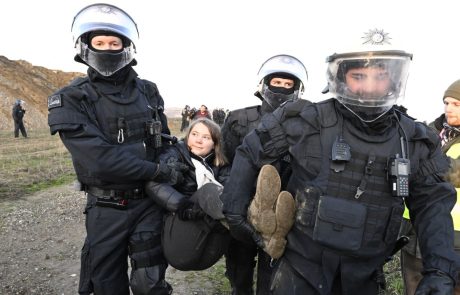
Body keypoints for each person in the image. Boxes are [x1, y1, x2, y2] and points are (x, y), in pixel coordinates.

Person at [221, 28, 459, 294]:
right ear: (341, 77)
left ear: (394, 79)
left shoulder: (415, 140)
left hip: (364, 276)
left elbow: (433, 207)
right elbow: (250, 151)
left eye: (380, 76)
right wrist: (235, 210)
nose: (370, 86)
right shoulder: (304, 120)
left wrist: (440, 270)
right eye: (359, 76)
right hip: (300, 270)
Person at [47, 3, 183, 294]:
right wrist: (157, 170)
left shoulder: (148, 90)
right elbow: (98, 159)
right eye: (99, 43)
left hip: (149, 203)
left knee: (151, 283)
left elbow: (165, 140)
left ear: (126, 45)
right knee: (106, 285)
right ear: (85, 46)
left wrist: (173, 160)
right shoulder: (71, 98)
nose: (107, 49)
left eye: (114, 43)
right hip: (106, 208)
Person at [221, 54, 308, 295]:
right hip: (242, 208)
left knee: (273, 277)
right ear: (264, 84)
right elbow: (225, 161)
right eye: (276, 82)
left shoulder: (304, 124)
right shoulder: (239, 118)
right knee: (239, 272)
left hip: (281, 215)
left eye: (287, 84)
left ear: (297, 88)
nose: (280, 88)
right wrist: (235, 199)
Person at [145, 118, 231, 271]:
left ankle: (260, 230)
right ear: (187, 136)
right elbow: (152, 184)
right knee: (210, 190)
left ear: (215, 144)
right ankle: (238, 219)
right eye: (195, 134)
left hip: (208, 250)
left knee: (229, 192)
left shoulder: (220, 165)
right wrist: (183, 205)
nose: (198, 140)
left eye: (206, 137)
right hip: (180, 242)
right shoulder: (174, 154)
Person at [400, 79, 460, 295]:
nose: (448, 109)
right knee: (413, 286)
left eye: (457, 104)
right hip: (414, 229)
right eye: (447, 102)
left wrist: (422, 162)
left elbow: (455, 175)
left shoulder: (425, 139)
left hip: (454, 236)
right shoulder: (430, 133)